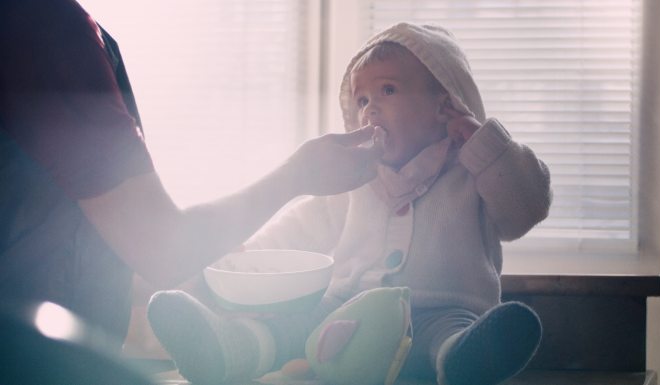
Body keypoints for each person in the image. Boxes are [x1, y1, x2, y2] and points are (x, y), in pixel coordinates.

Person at [147, 22, 552, 385]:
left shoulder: (475, 177)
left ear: (443, 105)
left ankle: (463, 360)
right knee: (297, 319)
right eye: (360, 101)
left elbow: (527, 208)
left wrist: (482, 143)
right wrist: (242, 254)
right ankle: (233, 347)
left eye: (387, 90)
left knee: (449, 333)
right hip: (343, 310)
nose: (369, 108)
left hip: (439, 312)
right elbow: (298, 229)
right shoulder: (356, 180)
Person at [0, 0, 384, 354]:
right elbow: (161, 249)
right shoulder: (44, 29)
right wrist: (299, 174)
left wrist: (202, 272)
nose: (372, 109)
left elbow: (60, 239)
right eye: (363, 98)